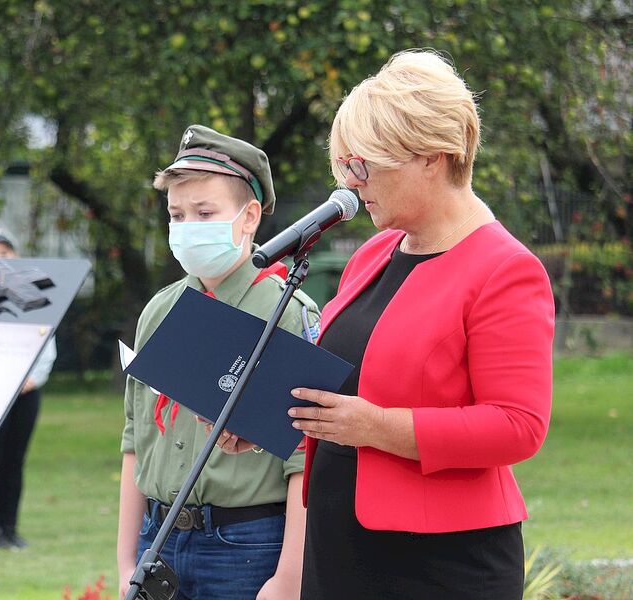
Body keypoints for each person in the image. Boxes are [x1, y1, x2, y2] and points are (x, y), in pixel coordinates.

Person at [282, 50, 554, 598]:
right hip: (339, 542)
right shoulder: (376, 252)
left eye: (366, 164)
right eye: (347, 166)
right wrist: (266, 417)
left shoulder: (506, 269)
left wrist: (378, 427)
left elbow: (518, 426)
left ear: (433, 157)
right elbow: (350, 380)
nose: (353, 182)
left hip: (440, 560)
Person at [117, 125, 320, 599]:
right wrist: (126, 557)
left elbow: (304, 457)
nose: (188, 227)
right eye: (176, 214)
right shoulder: (160, 311)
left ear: (249, 218)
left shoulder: (284, 313)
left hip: (244, 544)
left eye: (205, 213)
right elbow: (135, 437)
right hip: (159, 537)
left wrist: (288, 579)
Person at [0, 223, 58, 550]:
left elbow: (46, 339)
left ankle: (10, 527)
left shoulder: (32, 292)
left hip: (26, 390)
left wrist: (33, 377)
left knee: (14, 460)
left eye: (4, 253)